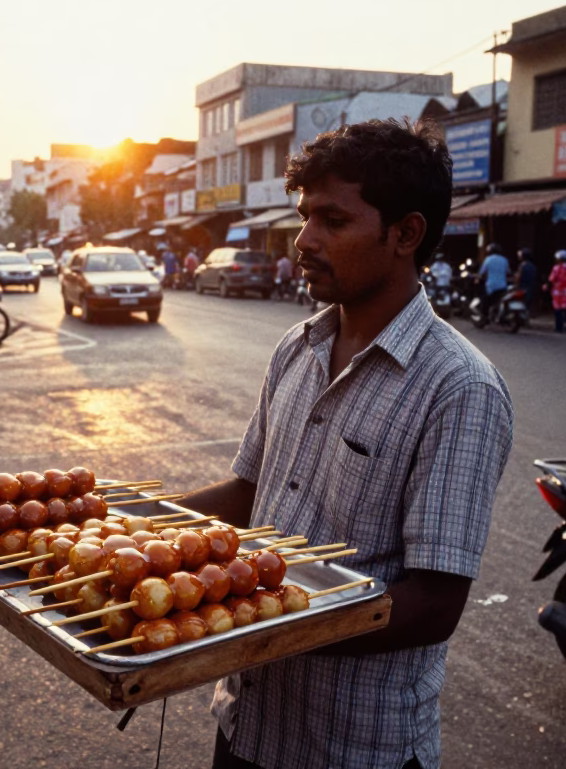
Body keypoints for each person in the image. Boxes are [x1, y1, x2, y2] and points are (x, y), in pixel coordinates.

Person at [182, 119, 514, 769]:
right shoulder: (296, 347)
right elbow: (248, 492)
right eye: (305, 216)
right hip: (248, 722)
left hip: (355, 747)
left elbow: (434, 602)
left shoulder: (459, 387)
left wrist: (264, 625)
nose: (302, 240)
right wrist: (127, 527)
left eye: (332, 221)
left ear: (405, 234)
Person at [547, 249, 566, 332]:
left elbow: (552, 279)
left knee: (557, 310)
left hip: (557, 292)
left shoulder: (556, 268)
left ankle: (559, 327)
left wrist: (547, 285)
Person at [516, 248, 538, 315]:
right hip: (530, 288)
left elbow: (518, 277)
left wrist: (516, 284)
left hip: (522, 287)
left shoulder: (522, 265)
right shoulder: (533, 266)